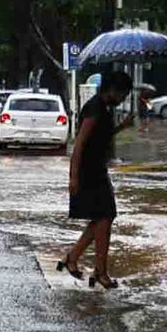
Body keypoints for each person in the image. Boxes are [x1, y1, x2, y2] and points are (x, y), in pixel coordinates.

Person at [57, 71, 135, 289]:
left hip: (97, 169)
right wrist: (73, 176)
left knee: (102, 219)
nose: (123, 99)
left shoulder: (104, 108)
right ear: (112, 90)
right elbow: (80, 144)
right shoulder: (94, 108)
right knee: (105, 216)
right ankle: (99, 271)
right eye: (123, 94)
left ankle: (74, 258)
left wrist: (122, 127)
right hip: (88, 171)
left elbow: (102, 135)